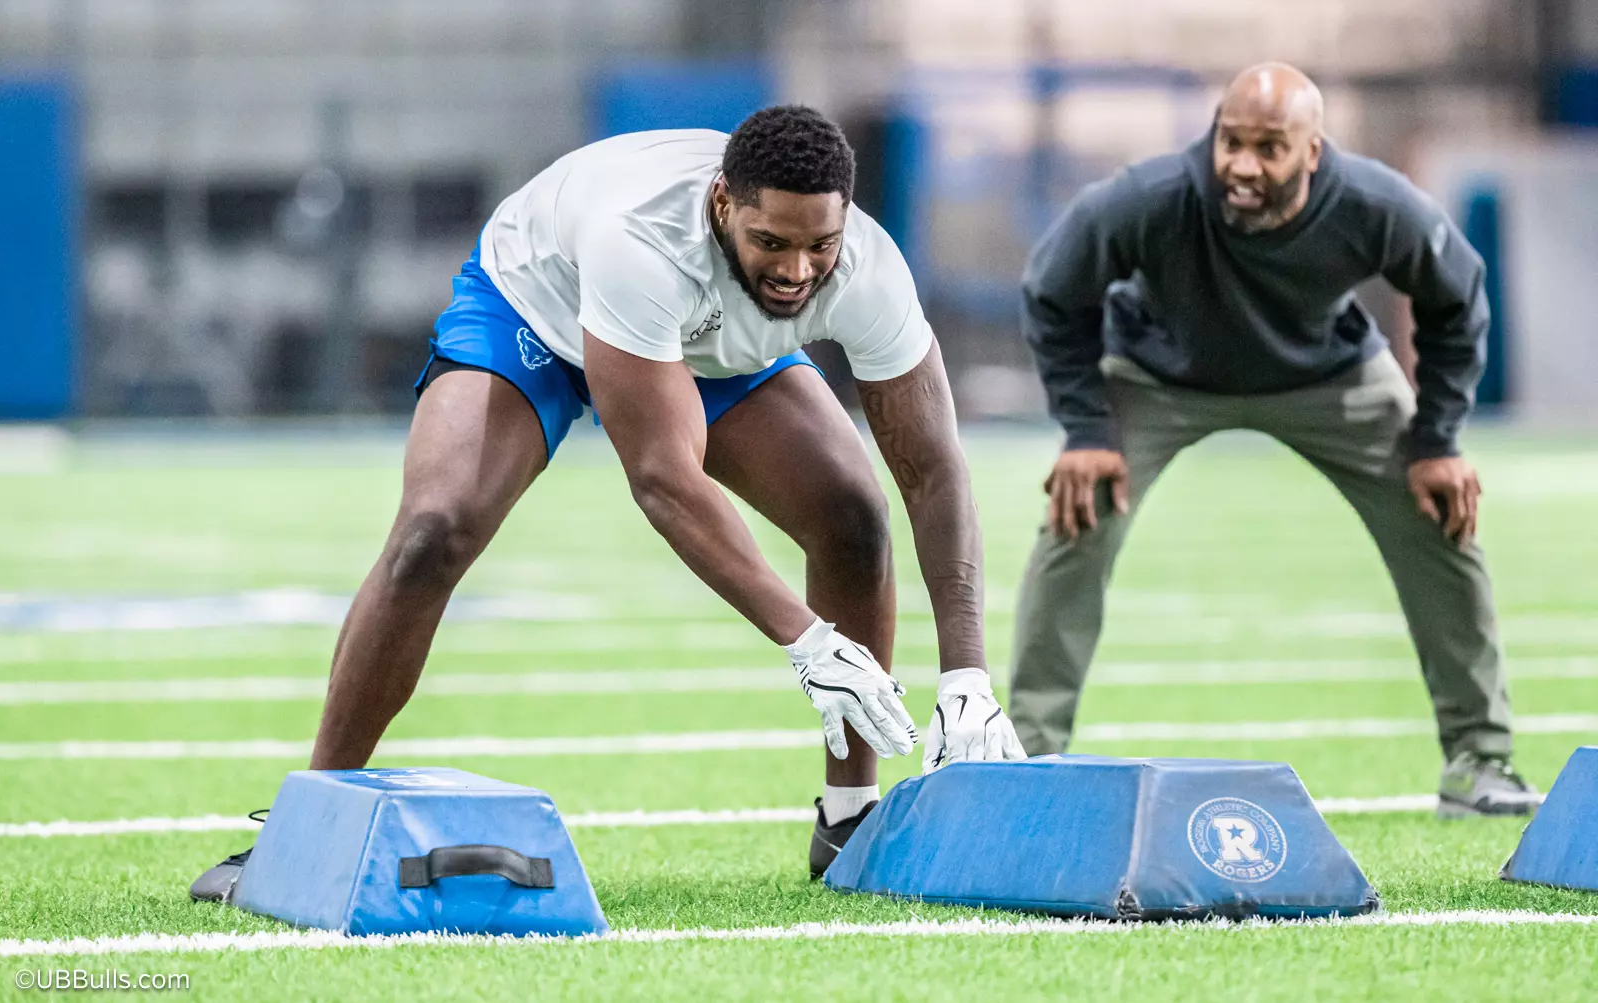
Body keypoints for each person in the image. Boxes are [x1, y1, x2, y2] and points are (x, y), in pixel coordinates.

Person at [191, 105, 1024, 902]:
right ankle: (302, 826)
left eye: (819, 247)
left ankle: (849, 819)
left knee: (853, 512)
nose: (798, 272)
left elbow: (932, 467)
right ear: (721, 201)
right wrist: (804, 637)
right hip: (538, 309)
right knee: (433, 532)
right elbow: (664, 476)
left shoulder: (867, 268)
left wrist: (968, 674)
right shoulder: (643, 238)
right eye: (770, 242)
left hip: (701, 339)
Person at [1010, 63, 1540, 818]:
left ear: (1314, 152)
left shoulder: (1374, 204)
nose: (1243, 166)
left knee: (1442, 519)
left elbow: (1458, 297)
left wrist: (1439, 439)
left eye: (1269, 148)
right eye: (1231, 142)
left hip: (1331, 376)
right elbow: (1051, 289)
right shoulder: (1150, 197)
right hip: (1161, 373)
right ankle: (1032, 760)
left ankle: (1479, 761)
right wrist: (1086, 428)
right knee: (1076, 515)